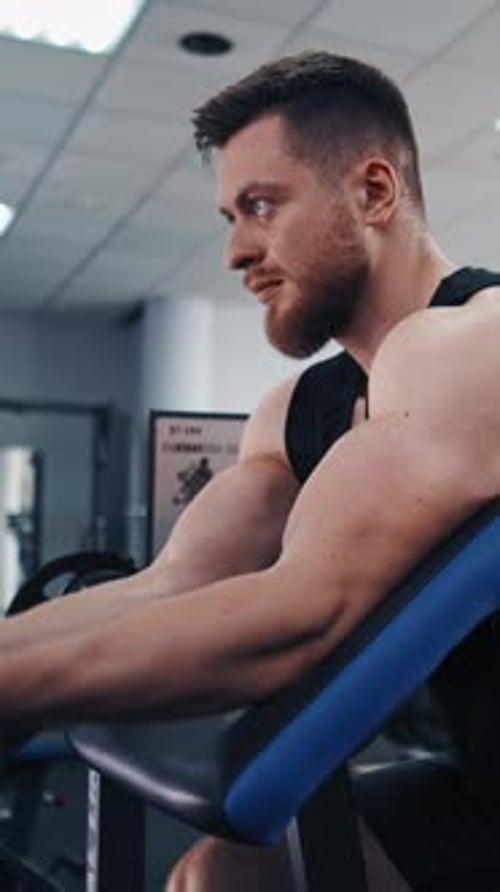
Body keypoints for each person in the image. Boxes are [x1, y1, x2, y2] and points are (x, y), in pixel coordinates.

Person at [1, 51, 500, 890]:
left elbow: (303, 615)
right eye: (230, 216)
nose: (237, 251)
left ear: (373, 193)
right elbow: (173, 587)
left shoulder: (479, 342)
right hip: (479, 789)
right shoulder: (294, 412)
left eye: (262, 207)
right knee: (219, 879)